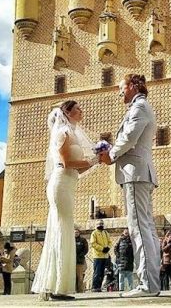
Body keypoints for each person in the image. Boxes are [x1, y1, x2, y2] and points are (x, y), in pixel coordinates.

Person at [99, 74, 161, 297]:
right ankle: (152, 283)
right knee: (147, 229)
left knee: (138, 228)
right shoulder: (142, 106)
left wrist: (111, 155)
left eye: (122, 87)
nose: (119, 92)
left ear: (133, 86)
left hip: (135, 175)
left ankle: (146, 284)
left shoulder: (140, 107)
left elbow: (129, 137)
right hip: (140, 173)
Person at [32, 101, 97, 301]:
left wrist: (96, 161)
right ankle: (57, 287)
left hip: (68, 183)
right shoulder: (63, 134)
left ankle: (53, 285)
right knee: (61, 230)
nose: (81, 111)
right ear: (67, 113)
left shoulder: (72, 134)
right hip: (60, 184)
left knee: (61, 230)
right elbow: (66, 163)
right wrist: (92, 160)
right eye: (77, 109)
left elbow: (77, 169)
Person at [90, 220, 112, 292]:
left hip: (105, 256)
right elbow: (93, 243)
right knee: (97, 272)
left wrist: (108, 247)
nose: (101, 225)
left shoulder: (106, 233)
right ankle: (94, 287)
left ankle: (99, 287)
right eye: (99, 224)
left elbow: (110, 242)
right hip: (97, 256)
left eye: (102, 224)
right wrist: (102, 249)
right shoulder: (94, 233)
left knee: (102, 273)